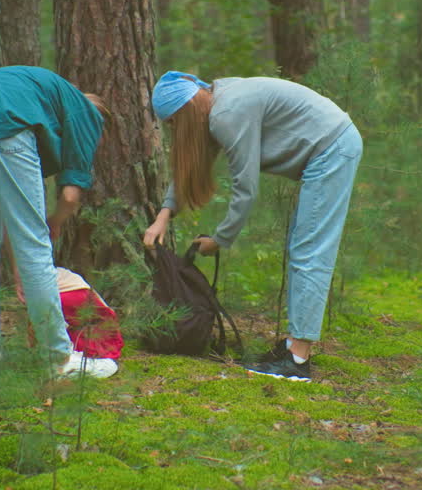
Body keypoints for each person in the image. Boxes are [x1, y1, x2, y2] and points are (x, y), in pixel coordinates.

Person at [142, 72, 362, 382]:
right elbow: (192, 166)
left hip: (331, 149)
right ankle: (292, 346)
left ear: (186, 109)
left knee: (310, 251)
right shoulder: (217, 100)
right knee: (302, 248)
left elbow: (245, 188)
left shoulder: (226, 114)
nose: (175, 131)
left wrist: (220, 239)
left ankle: (297, 361)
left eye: (174, 123)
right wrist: (164, 213)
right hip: (329, 146)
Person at [0, 65, 111, 378]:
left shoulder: (45, 105)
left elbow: (9, 215)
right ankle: (58, 359)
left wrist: (20, 267)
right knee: (35, 245)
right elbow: (70, 197)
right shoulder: (87, 115)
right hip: (4, 121)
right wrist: (54, 221)